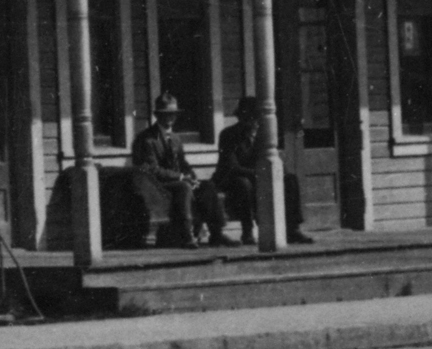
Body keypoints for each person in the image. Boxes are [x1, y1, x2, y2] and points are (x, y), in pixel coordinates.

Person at [195, 93, 313, 245]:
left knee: (290, 179)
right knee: (243, 183)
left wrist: (276, 174)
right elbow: (232, 167)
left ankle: (292, 229)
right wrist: (260, 175)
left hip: (257, 179)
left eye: (256, 118)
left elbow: (277, 162)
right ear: (241, 118)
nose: (253, 122)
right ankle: (247, 231)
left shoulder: (265, 136)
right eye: (248, 118)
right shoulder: (229, 135)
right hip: (230, 180)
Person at [128, 93, 200, 248]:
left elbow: (183, 162)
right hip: (155, 185)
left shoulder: (175, 138)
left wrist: (191, 175)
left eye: (173, 114)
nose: (170, 118)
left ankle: (216, 233)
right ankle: (187, 234)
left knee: (207, 187)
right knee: (184, 187)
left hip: (175, 181)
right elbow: (152, 169)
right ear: (157, 115)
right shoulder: (147, 139)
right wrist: (181, 177)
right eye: (166, 114)